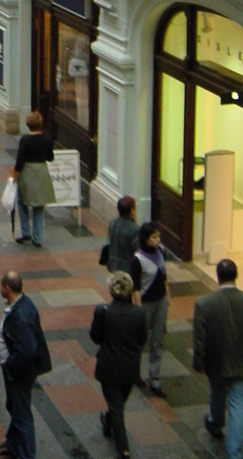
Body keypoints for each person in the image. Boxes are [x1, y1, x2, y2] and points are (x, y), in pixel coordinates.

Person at [0, 270, 51, 459]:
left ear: (7, 288)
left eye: (1, 287)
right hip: (17, 370)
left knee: (22, 413)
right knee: (15, 406)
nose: (0, 290)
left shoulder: (21, 315)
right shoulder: (22, 304)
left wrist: (9, 366)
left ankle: (26, 454)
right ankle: (12, 442)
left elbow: (26, 351)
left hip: (19, 372)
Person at [90, 271, 147, 459]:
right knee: (118, 403)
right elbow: (142, 339)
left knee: (117, 406)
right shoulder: (139, 313)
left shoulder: (102, 311)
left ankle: (124, 449)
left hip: (109, 367)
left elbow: (95, 337)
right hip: (130, 368)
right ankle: (108, 421)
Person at [193, 257, 243, 452]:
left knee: (217, 393)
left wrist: (199, 362)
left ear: (218, 277)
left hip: (215, 362)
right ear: (236, 276)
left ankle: (215, 423)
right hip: (240, 363)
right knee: (238, 405)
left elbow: (199, 338)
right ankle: (235, 452)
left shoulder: (204, 304)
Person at [129, 221, 170, 397]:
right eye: (154, 237)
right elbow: (135, 288)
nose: (158, 240)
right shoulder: (137, 259)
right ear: (145, 239)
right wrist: (138, 309)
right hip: (145, 303)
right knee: (140, 340)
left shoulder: (160, 251)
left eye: (158, 236)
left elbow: (164, 275)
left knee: (157, 340)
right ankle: (135, 373)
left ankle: (155, 378)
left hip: (161, 302)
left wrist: (168, 297)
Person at [12, 111, 55, 247]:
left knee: (22, 200)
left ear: (28, 125)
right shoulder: (47, 139)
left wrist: (15, 176)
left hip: (27, 172)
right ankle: (37, 238)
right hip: (41, 171)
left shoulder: (25, 140)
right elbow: (50, 157)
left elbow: (20, 161)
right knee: (39, 205)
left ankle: (25, 232)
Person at [107, 196, 140, 275]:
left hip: (113, 265)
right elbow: (137, 251)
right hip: (127, 269)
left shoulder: (113, 223)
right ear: (132, 211)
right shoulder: (134, 229)